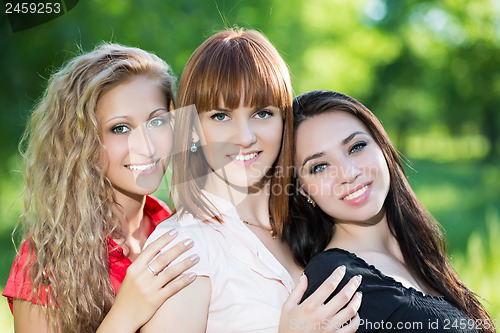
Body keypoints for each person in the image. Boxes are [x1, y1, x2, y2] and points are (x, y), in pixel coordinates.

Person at [142, 29, 362, 333]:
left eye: (262, 113)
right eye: (221, 116)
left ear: (285, 119)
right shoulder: (186, 246)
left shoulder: (311, 224)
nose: (245, 138)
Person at [3, 43, 200, 333]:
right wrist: (124, 316)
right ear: (82, 143)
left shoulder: (176, 230)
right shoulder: (47, 261)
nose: (146, 145)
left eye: (156, 121)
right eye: (120, 128)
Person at [286, 90, 496, 332]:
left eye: (356, 147)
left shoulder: (416, 251)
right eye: (319, 166)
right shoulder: (335, 281)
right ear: (303, 189)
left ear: (382, 146)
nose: (348, 173)